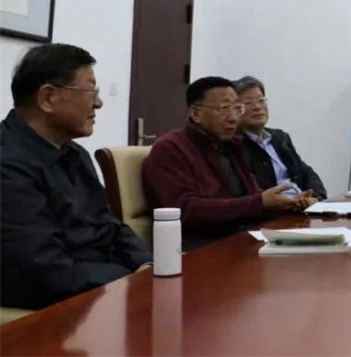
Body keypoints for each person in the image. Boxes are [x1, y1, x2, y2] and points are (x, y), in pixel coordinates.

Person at [1, 44, 151, 310]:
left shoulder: (74, 153)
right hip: (43, 310)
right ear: (48, 98)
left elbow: (109, 226)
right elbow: (44, 271)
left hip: (96, 289)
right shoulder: (7, 165)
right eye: (90, 91)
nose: (98, 103)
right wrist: (130, 277)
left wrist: (147, 264)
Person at [142, 77, 316, 251]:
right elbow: (184, 210)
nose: (233, 118)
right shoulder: (171, 148)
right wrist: (259, 203)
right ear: (196, 114)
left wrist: (288, 204)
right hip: (201, 248)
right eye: (224, 108)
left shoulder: (231, 146)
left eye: (237, 108)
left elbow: (253, 200)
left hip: (244, 239)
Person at [234, 76, 327, 200]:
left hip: (303, 204)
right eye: (248, 103)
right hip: (276, 207)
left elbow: (307, 173)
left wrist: (315, 198)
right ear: (235, 109)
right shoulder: (235, 145)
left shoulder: (280, 137)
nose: (257, 107)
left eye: (261, 100)